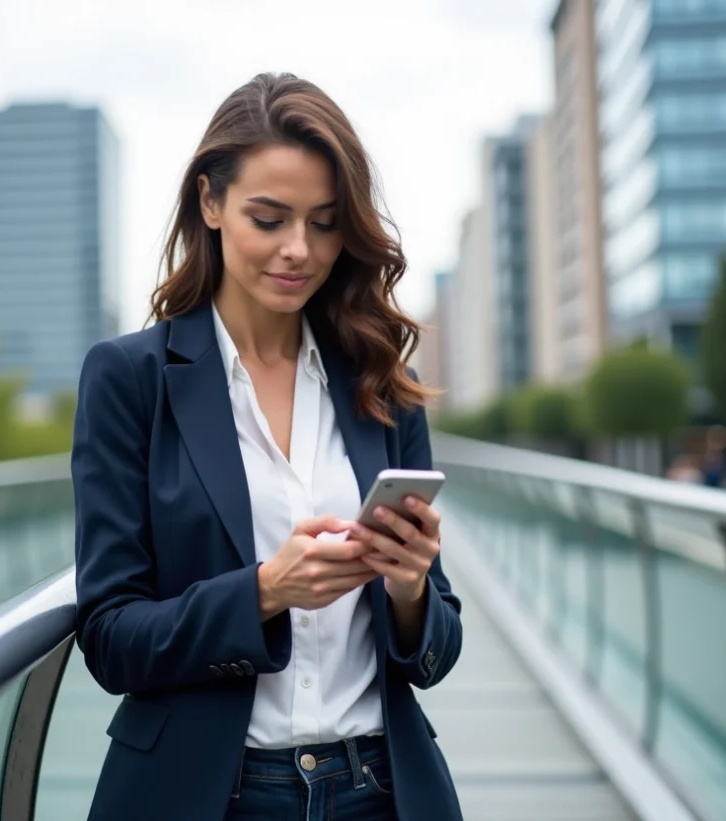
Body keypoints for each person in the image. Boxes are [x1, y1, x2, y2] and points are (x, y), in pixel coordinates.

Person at [71, 73, 464, 821]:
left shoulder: (382, 380)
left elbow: (438, 646)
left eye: (323, 222)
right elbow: (111, 637)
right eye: (270, 217)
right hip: (211, 796)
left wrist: (410, 587)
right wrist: (264, 591)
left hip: (381, 787)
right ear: (210, 203)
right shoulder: (129, 378)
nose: (299, 250)